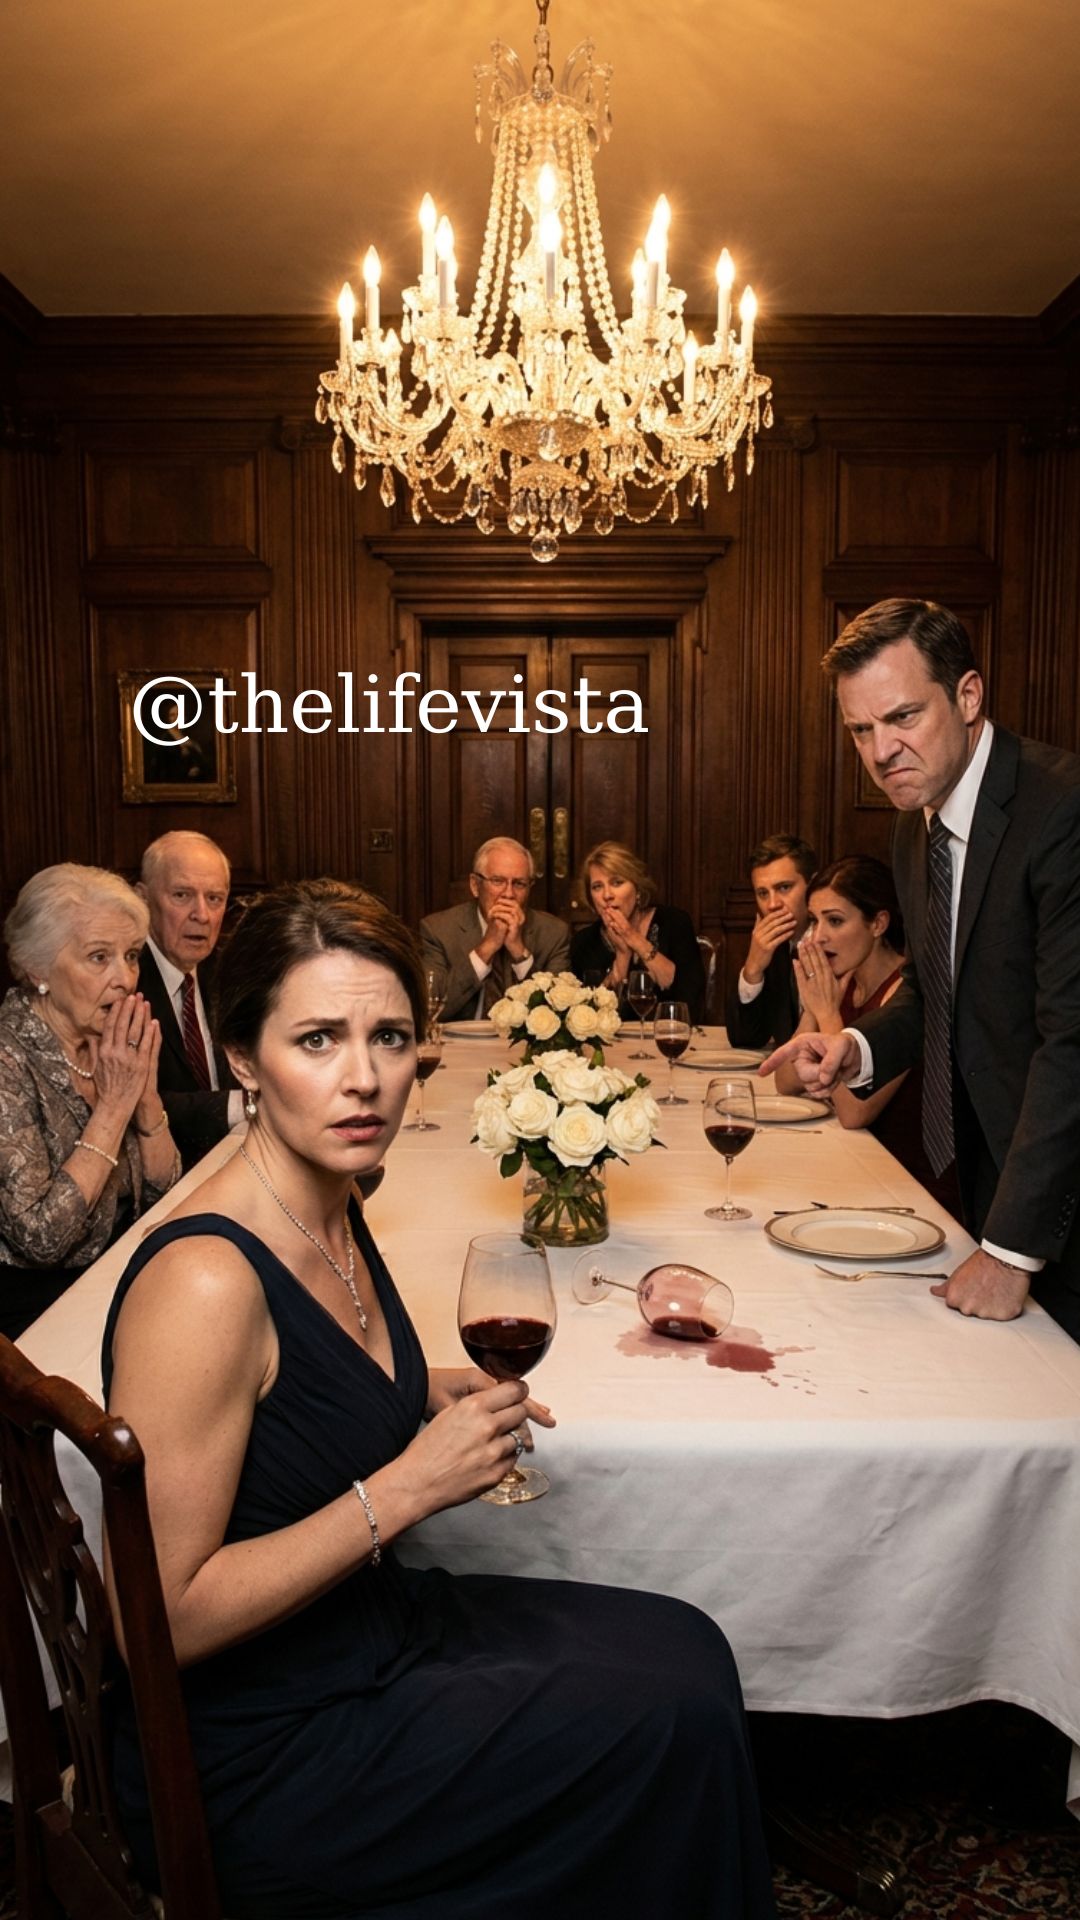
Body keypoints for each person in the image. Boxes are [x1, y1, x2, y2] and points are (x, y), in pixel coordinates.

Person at [101, 881, 777, 1920]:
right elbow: (160, 1617)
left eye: (388, 1037)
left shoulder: (328, 1193)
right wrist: (407, 1489)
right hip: (257, 1754)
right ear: (242, 1058)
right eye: (317, 1040)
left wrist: (419, 1389)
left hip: (360, 1631)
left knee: (690, 1648)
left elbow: (295, 1388)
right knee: (669, 1719)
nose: (364, 1078)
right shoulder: (203, 1280)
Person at [765, 598, 1080, 1336]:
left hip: (1054, 1209)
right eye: (860, 730)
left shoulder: (1061, 810)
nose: (881, 752)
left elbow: (1073, 1041)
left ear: (967, 697)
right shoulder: (916, 830)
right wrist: (856, 1046)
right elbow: (939, 993)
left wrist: (1011, 1250)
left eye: (903, 717)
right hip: (986, 1189)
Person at [0, 864, 180, 1339]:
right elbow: (41, 1238)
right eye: (99, 957)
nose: (125, 979)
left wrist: (145, 1100)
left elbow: (164, 1192)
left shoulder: (112, 1043)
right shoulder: (7, 1059)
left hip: (116, 1274)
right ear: (38, 968)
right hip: (36, 1314)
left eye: (132, 956)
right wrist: (114, 1107)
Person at [775, 857, 954, 1206]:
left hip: (909, 1185)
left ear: (878, 924)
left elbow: (855, 1112)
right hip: (853, 1167)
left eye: (835, 920)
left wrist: (827, 1014)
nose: (818, 936)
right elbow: (785, 1081)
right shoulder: (843, 982)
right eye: (814, 920)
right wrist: (813, 1008)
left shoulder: (906, 996)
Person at [136, 830, 241, 1170]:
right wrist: (242, 1106)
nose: (202, 915)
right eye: (182, 895)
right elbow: (135, 1104)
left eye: (215, 898)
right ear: (143, 900)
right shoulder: (123, 982)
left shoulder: (229, 971)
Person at [420, 836, 571, 1020]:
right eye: (498, 881)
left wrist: (519, 952)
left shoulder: (554, 934)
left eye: (519, 884)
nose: (508, 894)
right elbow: (430, 1009)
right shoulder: (438, 930)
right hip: (460, 1038)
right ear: (475, 885)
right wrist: (487, 947)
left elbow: (556, 1016)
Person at [569, 841, 707, 1024]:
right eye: (597, 887)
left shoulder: (674, 922)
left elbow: (687, 1001)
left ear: (638, 889)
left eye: (617, 882)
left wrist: (632, 937)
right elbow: (595, 1020)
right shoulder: (584, 942)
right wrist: (623, 955)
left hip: (670, 1034)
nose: (607, 895)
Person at [725, 834, 818, 1049]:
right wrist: (753, 969)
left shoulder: (837, 942)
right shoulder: (771, 947)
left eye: (784, 887)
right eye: (762, 893)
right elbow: (745, 1039)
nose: (772, 904)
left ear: (813, 886)